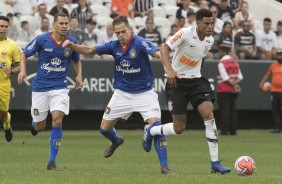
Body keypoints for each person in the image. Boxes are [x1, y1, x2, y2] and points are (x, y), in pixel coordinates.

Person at [62, 15, 173, 175]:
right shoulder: (113, 46)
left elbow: (156, 53)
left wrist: (167, 66)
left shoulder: (140, 42)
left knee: (156, 128)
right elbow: (89, 50)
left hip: (145, 94)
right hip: (122, 94)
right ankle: (116, 141)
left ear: (130, 29)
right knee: (104, 130)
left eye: (123, 31)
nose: (121, 35)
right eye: (118, 32)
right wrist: (73, 46)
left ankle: (164, 167)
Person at [143, 9, 231, 174]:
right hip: (176, 83)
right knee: (179, 128)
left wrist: (197, 74)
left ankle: (214, 163)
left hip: (196, 82)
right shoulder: (185, 33)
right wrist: (169, 70)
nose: (210, 26)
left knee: (209, 116)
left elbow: (201, 56)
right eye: (206, 23)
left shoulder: (209, 40)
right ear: (197, 23)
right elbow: (163, 47)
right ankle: (151, 130)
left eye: (211, 23)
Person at [17, 13, 83, 170]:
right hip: (40, 87)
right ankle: (35, 124)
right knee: (40, 127)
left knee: (57, 119)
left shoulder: (72, 42)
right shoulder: (42, 39)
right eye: (61, 23)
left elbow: (76, 60)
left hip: (60, 87)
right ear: (54, 25)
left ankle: (51, 161)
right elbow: (24, 53)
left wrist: (79, 75)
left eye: (66, 23)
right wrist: (22, 71)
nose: (64, 26)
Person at [0, 15, 22, 142]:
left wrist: (12, 70)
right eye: (0, 26)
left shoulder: (12, 45)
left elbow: (20, 66)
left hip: (3, 83)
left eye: (5, 26)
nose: (2, 29)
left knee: (2, 115)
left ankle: (7, 123)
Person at [217, 46, 243, 135]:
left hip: (223, 90)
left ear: (224, 52)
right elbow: (240, 77)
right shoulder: (235, 62)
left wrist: (233, 85)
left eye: (219, 51)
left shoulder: (221, 63)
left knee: (225, 111)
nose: (218, 54)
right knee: (233, 110)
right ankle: (233, 130)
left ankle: (224, 131)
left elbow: (225, 78)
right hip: (234, 91)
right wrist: (235, 85)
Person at [259, 50, 282, 133]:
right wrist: (261, 84)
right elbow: (267, 75)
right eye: (279, 55)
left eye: (281, 55)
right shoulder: (273, 65)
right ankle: (277, 127)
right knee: (275, 110)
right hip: (274, 90)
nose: (280, 57)